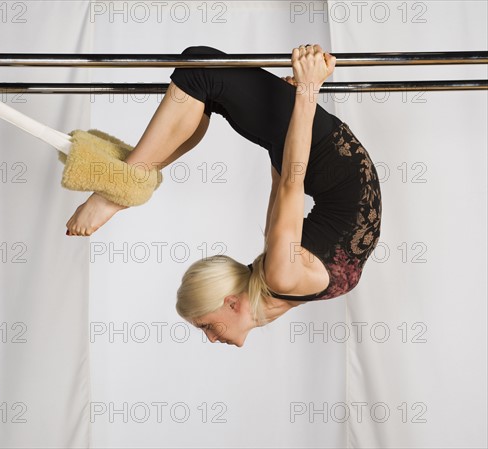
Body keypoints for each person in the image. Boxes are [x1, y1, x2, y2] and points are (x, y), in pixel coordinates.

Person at [66, 45, 382, 347]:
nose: (211, 337)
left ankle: (118, 190)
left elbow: (286, 182)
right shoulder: (279, 279)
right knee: (200, 72)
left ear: (230, 303)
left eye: (206, 326)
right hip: (318, 146)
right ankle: (119, 189)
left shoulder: (277, 277)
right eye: (206, 327)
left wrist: (301, 98)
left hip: (313, 146)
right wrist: (305, 91)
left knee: (200, 73)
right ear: (232, 303)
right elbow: (287, 184)